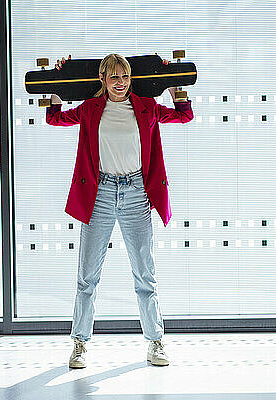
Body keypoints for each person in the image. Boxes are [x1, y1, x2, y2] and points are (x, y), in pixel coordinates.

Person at [46, 53, 193, 368]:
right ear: (103, 79)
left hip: (136, 193)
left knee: (145, 274)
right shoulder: (90, 109)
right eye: (114, 77)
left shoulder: (146, 108)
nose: (120, 82)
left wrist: (176, 90)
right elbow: (55, 118)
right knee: (87, 277)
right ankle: (80, 344)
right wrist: (57, 83)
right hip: (99, 194)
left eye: (124, 76)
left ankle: (156, 342)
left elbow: (183, 116)